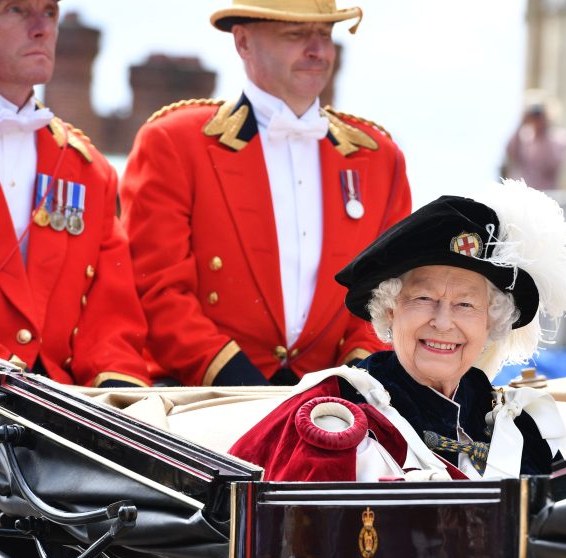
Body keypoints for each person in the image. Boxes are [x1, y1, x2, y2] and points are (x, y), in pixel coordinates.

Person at [121, 0, 411, 387]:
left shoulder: (378, 158)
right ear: (243, 42)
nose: (317, 50)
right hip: (203, 397)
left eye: (325, 35)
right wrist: (243, 385)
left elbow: (392, 292)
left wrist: (351, 381)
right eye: (296, 34)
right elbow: (156, 288)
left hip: (338, 402)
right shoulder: (174, 142)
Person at [228, 180, 566, 481]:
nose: (444, 322)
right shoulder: (336, 418)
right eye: (424, 298)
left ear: (491, 322)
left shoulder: (523, 427)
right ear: (389, 311)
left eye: (466, 304)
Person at [0, 0, 149, 387]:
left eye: (49, 12)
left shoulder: (87, 168)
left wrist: (118, 399)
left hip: (61, 420)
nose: (41, 28)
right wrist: (13, 386)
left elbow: (111, 317)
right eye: (15, 10)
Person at [502, 96, 566, 191]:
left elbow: (553, 166)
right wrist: (522, 123)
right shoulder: (524, 137)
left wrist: (544, 131)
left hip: (545, 194)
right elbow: (510, 152)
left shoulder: (559, 138)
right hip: (521, 193)